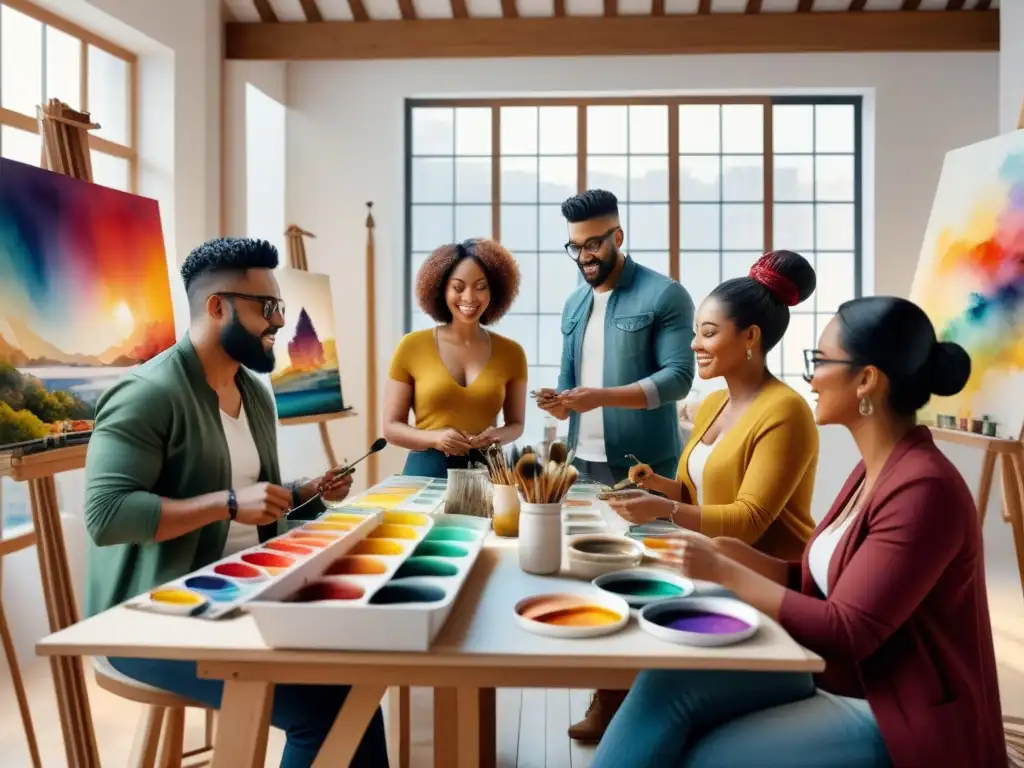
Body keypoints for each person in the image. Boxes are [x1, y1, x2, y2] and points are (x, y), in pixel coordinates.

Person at [592, 296, 1006, 767]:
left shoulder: (924, 490)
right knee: (667, 681)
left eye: (822, 361)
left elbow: (849, 630)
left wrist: (726, 573)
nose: (811, 377)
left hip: (892, 706)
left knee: (708, 758)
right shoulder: (875, 470)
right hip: (835, 669)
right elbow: (827, 585)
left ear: (867, 379)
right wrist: (736, 556)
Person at [83, 237, 389, 768]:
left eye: (280, 307)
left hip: (248, 589)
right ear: (217, 307)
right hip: (152, 618)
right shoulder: (147, 395)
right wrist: (225, 504)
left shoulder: (254, 392)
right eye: (266, 308)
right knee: (326, 705)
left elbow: (254, 505)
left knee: (358, 678)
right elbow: (106, 516)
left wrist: (304, 493)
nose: (278, 322)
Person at [574, 250, 821, 743]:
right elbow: (698, 490)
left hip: (765, 578)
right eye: (696, 332)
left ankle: (625, 707)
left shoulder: (786, 411)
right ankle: (616, 700)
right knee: (610, 580)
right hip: (714, 564)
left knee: (633, 594)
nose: (694, 345)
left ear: (750, 337)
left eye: (708, 333)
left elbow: (749, 520)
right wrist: (658, 485)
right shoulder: (713, 403)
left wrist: (665, 509)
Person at [534, 189, 695, 487]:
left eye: (593, 245)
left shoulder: (665, 294)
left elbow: (679, 378)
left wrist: (599, 397)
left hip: (645, 469)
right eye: (575, 247)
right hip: (578, 466)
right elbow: (567, 384)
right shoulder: (573, 304)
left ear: (618, 238)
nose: (583, 257)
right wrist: (559, 403)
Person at [384, 238, 527, 478]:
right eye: (458, 287)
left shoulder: (512, 353)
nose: (469, 298)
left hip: (488, 474)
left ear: (495, 290)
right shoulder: (411, 346)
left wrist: (497, 436)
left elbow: (516, 425)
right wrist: (436, 438)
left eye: (481, 286)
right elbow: (391, 428)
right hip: (425, 473)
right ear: (441, 289)